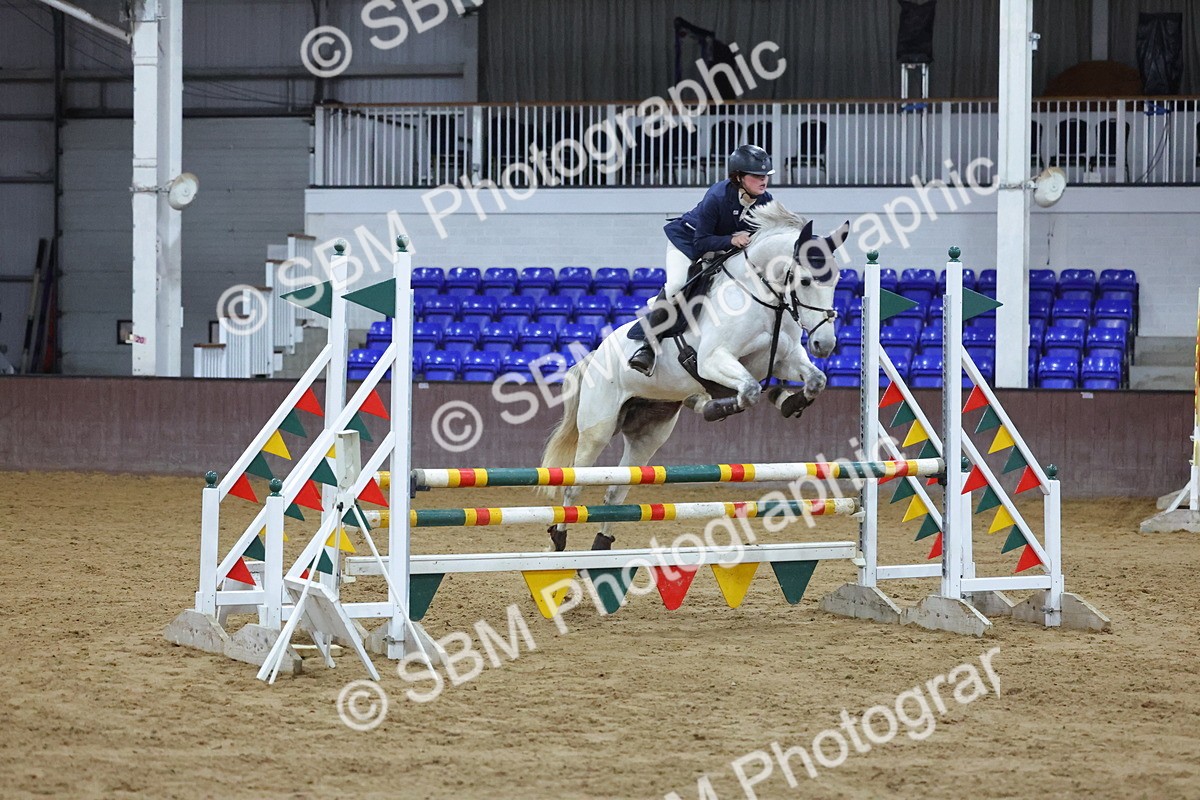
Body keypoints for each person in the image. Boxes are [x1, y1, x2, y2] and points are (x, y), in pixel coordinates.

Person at [628, 144, 775, 376]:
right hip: (688, 242)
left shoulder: (766, 201)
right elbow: (701, 242)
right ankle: (648, 346)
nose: (763, 180)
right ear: (738, 177)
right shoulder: (717, 196)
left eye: (765, 175)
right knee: (677, 285)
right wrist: (730, 240)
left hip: (722, 250)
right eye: (756, 176)